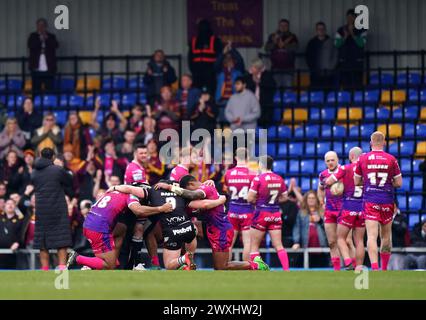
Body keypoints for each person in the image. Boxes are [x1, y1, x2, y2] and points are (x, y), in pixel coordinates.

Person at [156, 177, 269, 271]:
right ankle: (185, 263)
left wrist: (171, 187)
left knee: (221, 267)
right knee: (188, 228)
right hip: (212, 226)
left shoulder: (205, 188)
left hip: (221, 230)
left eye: (187, 190)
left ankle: (255, 265)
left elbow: (192, 195)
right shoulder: (208, 187)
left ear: (190, 184)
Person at [66, 187, 173, 270]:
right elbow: (138, 210)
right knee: (110, 265)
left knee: (121, 228)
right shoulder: (131, 196)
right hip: (98, 229)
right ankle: (77, 258)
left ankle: (110, 258)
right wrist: (161, 208)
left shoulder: (113, 192)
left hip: (91, 223)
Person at [354, 131, 403, 271]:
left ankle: (374, 268)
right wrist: (388, 183)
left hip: (371, 200)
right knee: (386, 236)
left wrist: (369, 183)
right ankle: (384, 268)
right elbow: (399, 183)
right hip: (387, 200)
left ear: (371, 143)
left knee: (371, 236)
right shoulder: (391, 159)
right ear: (384, 143)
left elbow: (357, 181)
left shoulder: (362, 159)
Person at [31, 148, 73, 270]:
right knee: (61, 240)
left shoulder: (34, 172)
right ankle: (61, 267)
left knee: (42, 242)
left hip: (41, 210)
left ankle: (44, 269)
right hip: (58, 209)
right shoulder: (57, 170)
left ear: (40, 155)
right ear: (53, 157)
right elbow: (69, 181)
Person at [247, 156, 290, 271]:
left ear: (261, 165)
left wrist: (260, 201)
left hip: (261, 213)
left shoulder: (258, 179)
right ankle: (287, 270)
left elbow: (249, 198)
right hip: (275, 214)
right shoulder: (279, 178)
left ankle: (257, 269)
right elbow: (285, 197)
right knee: (278, 245)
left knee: (254, 245)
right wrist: (275, 202)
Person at [325, 147, 365, 270]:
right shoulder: (366, 169)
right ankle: (359, 267)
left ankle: (347, 262)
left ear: (351, 156)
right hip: (363, 208)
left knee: (340, 238)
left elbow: (329, 181)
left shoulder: (345, 168)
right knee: (359, 241)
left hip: (348, 207)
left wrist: (337, 186)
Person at [223, 148, 256, 261]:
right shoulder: (252, 174)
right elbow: (255, 195)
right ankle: (246, 267)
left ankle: (225, 265)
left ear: (236, 158)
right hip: (247, 211)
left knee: (229, 243)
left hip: (232, 210)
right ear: (247, 158)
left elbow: (227, 191)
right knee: (247, 243)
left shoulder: (228, 173)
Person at [123, 143, 149, 270]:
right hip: (134, 203)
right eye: (141, 153)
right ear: (135, 153)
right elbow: (141, 189)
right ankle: (136, 263)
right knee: (138, 230)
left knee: (139, 231)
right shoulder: (135, 169)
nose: (144, 155)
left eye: (145, 153)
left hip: (135, 202)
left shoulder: (138, 167)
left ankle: (134, 263)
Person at [318, 151, 345, 271]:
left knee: (346, 241)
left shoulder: (343, 172)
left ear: (337, 159)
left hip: (343, 210)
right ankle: (337, 270)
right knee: (332, 242)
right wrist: (321, 202)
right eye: (328, 161)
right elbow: (320, 188)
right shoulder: (323, 174)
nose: (330, 162)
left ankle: (352, 266)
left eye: (332, 160)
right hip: (329, 210)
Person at [292, 190, 328, 267]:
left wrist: (320, 221)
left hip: (321, 246)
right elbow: (297, 228)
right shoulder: (301, 212)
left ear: (316, 200)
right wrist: (296, 242)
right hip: (305, 245)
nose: (311, 200)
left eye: (313, 198)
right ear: (306, 200)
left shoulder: (323, 212)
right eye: (309, 198)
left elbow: (329, 229)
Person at [188, 19, 223, 94]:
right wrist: (193, 70)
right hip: (197, 74)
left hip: (210, 73)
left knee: (210, 93)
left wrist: (214, 70)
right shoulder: (194, 41)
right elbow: (190, 58)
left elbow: (219, 57)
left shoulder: (215, 40)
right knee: (196, 93)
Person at [335, 9, 367, 89]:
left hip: (357, 63)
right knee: (346, 85)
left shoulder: (362, 29)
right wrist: (345, 36)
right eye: (348, 17)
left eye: (352, 17)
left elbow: (361, 43)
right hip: (344, 63)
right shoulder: (341, 30)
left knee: (357, 85)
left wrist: (352, 33)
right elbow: (336, 44)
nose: (350, 19)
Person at [27, 18, 59, 96]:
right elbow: (30, 45)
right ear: (37, 26)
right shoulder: (33, 36)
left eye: (43, 25)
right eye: (39, 25)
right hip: (36, 68)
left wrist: (46, 38)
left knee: (49, 90)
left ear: (46, 26)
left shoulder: (51, 36)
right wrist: (40, 40)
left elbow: (56, 45)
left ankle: (49, 105)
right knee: (36, 90)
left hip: (49, 68)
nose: (41, 27)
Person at [214, 41, 245, 121]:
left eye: (230, 60)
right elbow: (216, 64)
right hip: (222, 101)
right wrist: (223, 54)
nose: (228, 61)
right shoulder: (220, 73)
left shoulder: (238, 72)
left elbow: (240, 60)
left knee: (234, 122)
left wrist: (232, 50)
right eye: (226, 60)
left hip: (235, 101)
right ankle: (221, 134)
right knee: (221, 123)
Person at [244, 59, 276, 127]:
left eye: (253, 67)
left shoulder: (267, 76)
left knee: (263, 127)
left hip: (264, 107)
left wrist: (259, 82)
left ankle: (262, 138)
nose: (251, 69)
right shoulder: (248, 77)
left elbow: (271, 88)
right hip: (251, 107)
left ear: (258, 68)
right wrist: (253, 82)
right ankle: (251, 138)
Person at [305, 22, 338, 89]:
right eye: (319, 29)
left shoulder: (331, 42)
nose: (321, 30)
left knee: (329, 93)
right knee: (316, 94)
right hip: (315, 73)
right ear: (316, 30)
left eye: (323, 29)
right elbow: (308, 57)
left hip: (329, 74)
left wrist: (331, 67)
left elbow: (335, 55)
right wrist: (312, 68)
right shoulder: (311, 43)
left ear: (325, 30)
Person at [269, 24, 299, 90]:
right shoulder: (273, 36)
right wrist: (275, 41)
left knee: (288, 88)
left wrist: (284, 44)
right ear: (279, 26)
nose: (283, 27)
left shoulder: (292, 37)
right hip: (276, 68)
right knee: (276, 89)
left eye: (285, 25)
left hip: (288, 68)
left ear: (288, 27)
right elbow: (267, 48)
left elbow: (295, 48)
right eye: (281, 25)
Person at [0, 199, 23, 269]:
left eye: (12, 204)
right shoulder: (0, 218)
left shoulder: (20, 219)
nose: (10, 205)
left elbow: (22, 234)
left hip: (14, 251)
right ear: (4, 206)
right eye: (8, 204)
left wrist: (17, 242)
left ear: (15, 206)